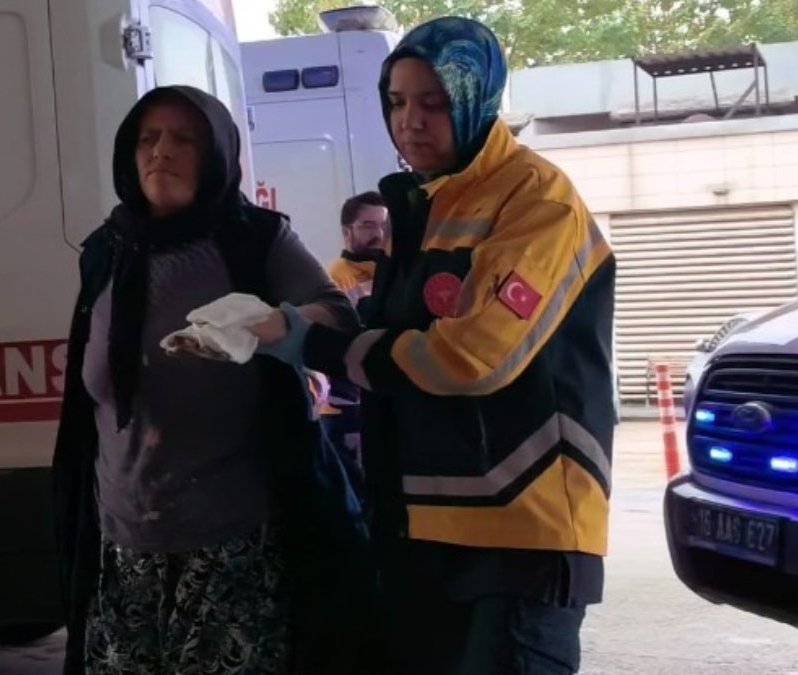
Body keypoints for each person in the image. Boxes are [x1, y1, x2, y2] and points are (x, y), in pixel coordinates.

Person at [249, 17, 616, 675]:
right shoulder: (424, 205)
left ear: (476, 97)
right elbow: (396, 339)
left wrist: (317, 346)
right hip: (423, 521)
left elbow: (471, 357)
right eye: (396, 101)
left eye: (434, 102)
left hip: (520, 526)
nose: (409, 122)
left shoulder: (538, 199)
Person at [51, 84, 368, 675]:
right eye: (148, 139)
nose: (161, 151)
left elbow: (338, 315)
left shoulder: (254, 239)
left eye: (184, 139)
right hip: (122, 548)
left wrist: (275, 324)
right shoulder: (105, 251)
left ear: (217, 154)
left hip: (231, 541)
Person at [317, 192, 390, 494]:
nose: (378, 234)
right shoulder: (335, 280)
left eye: (384, 226)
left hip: (385, 399)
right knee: (361, 491)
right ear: (347, 232)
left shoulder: (389, 273)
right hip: (349, 408)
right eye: (368, 226)